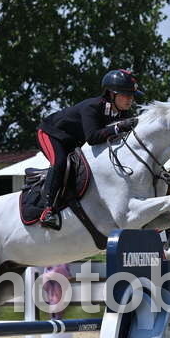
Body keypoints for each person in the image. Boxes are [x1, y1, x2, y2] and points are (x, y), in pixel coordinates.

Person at [36, 69, 143, 228]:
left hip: (73, 140)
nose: (130, 99)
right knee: (60, 163)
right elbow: (92, 138)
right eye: (126, 95)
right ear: (111, 94)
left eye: (132, 96)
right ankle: (47, 210)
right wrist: (118, 128)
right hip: (51, 134)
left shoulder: (122, 113)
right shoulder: (92, 107)